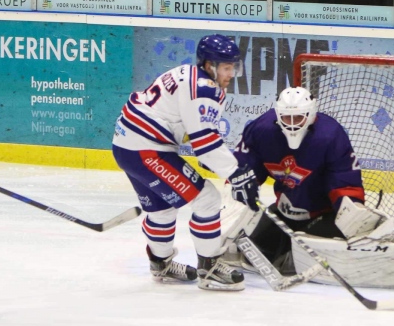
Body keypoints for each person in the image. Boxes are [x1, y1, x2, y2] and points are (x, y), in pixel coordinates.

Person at [112, 34, 259, 291]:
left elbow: (199, 138)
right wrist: (236, 173)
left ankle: (161, 263)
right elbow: (204, 143)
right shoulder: (204, 88)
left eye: (234, 66)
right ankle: (210, 267)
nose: (232, 73)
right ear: (209, 65)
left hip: (126, 145)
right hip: (148, 150)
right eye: (227, 67)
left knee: (162, 209)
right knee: (208, 199)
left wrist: (226, 167)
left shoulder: (188, 73)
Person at [221, 86, 387, 275]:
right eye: (286, 118)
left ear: (311, 114)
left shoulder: (330, 135)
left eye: (298, 118)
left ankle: (298, 251)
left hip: (324, 216)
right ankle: (286, 250)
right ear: (277, 114)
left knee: (320, 259)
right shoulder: (261, 130)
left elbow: (344, 180)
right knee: (253, 258)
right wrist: (238, 197)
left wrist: (352, 212)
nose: (292, 124)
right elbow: (243, 171)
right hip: (283, 212)